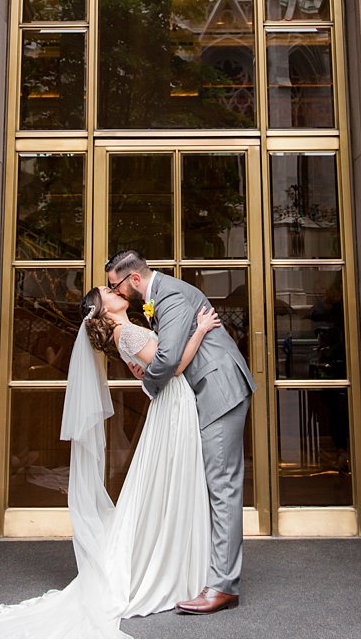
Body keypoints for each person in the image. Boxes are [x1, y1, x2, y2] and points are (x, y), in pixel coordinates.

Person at [0, 285, 224, 637]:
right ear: (102, 310)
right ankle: (170, 566)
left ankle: (174, 560)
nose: (114, 290)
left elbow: (151, 370)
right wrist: (201, 330)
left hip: (171, 404)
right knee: (170, 482)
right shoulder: (127, 332)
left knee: (168, 483)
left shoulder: (127, 331)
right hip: (175, 404)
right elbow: (175, 367)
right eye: (107, 291)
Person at [107, 248, 257, 615]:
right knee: (214, 483)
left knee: (222, 485)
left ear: (135, 279)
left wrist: (148, 387)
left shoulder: (170, 295)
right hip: (208, 390)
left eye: (117, 286)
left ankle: (223, 586)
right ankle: (207, 573)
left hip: (218, 390)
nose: (117, 292)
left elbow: (168, 358)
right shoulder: (162, 296)